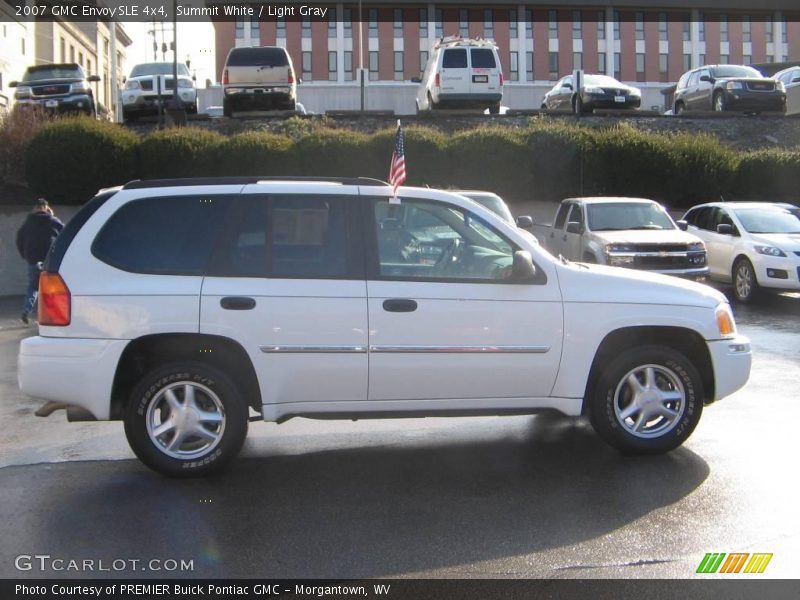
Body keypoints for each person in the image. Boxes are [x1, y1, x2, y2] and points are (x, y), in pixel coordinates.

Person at [16, 198, 64, 324]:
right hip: (49, 259)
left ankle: (26, 310)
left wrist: (24, 254)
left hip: (32, 259)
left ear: (35, 207)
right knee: (52, 287)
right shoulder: (51, 220)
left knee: (33, 286)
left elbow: (19, 238)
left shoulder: (28, 221)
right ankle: (53, 314)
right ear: (45, 207)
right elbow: (65, 231)